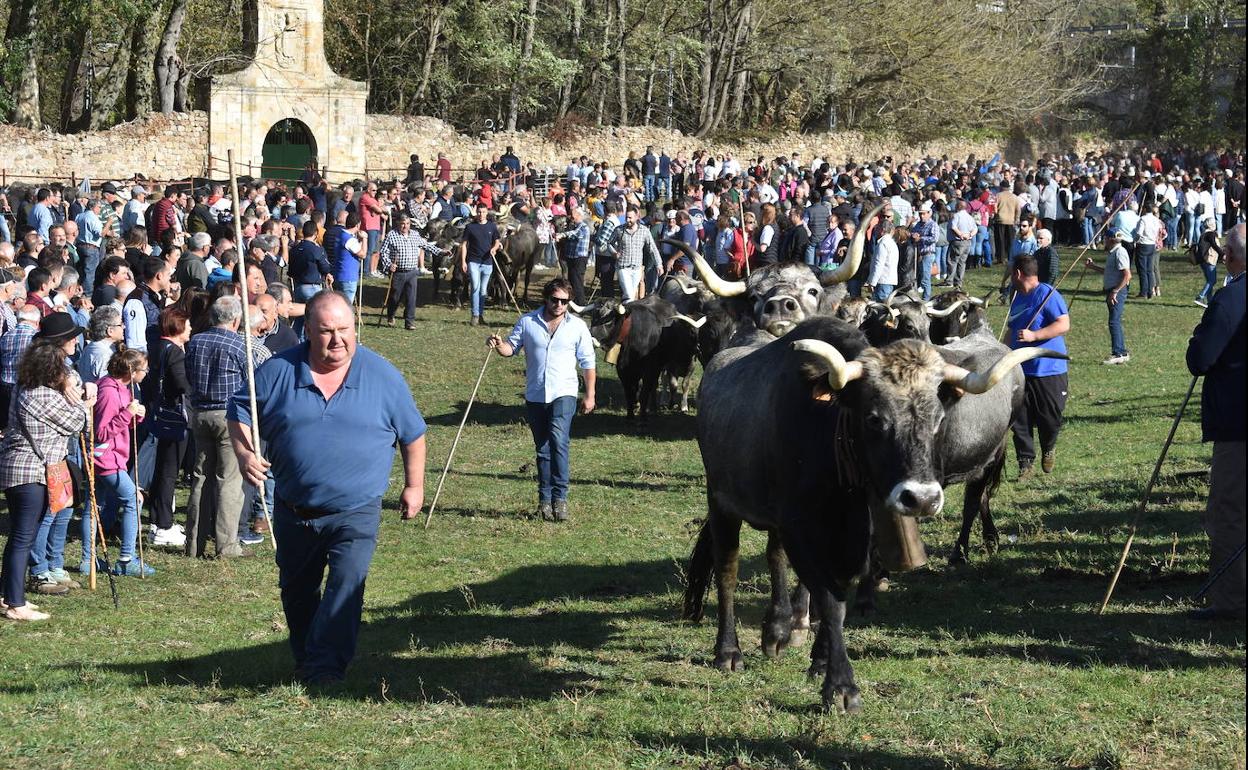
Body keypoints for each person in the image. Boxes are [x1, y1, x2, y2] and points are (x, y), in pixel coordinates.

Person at [228, 290, 427, 685]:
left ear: (356, 328)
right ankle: (308, 657)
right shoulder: (277, 371)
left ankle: (325, 668)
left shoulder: (383, 376)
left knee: (346, 586)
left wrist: (414, 486)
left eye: (344, 330)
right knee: (297, 593)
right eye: (326, 331)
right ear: (307, 331)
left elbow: (414, 435)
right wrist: (245, 453)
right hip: (293, 508)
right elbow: (238, 411)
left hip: (356, 510)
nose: (337, 340)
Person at [0, 320, 92, 620]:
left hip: (31, 468)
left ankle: (8, 595)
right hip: (29, 471)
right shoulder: (37, 393)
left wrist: (69, 385)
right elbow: (75, 421)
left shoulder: (34, 385)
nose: (75, 345)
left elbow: (72, 382)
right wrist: (84, 403)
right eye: (71, 341)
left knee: (22, 535)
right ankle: (15, 603)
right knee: (23, 536)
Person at [486, 278, 595, 522]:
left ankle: (561, 500)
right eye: (555, 300)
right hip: (536, 394)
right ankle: (544, 502)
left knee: (559, 440)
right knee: (543, 449)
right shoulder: (527, 322)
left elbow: (588, 362)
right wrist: (498, 344)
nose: (559, 305)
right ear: (546, 298)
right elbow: (510, 349)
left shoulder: (577, 327)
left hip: (564, 392)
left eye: (564, 301)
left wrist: (590, 394)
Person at [1184, 222, 1245, 620]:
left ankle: (1230, 603)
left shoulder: (1230, 299)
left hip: (1240, 423)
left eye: (1226, 249)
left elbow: (1200, 359)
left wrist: (1197, 337)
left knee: (1230, 511)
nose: (1222, 255)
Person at [184, 295, 252, 560]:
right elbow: (251, 381)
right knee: (228, 481)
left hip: (200, 413)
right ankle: (226, 546)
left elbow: (188, 374)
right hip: (228, 416)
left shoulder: (196, 342)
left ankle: (193, 544)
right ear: (236, 320)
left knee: (201, 478)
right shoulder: (239, 344)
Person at [1005, 254, 1071, 478]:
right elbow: (1012, 331)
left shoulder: (1048, 294)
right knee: (1019, 419)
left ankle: (1049, 447)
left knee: (1049, 418)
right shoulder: (1017, 297)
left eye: (1011, 273)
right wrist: (1001, 352)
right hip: (1020, 369)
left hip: (1048, 369)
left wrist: (1035, 335)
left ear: (1018, 274)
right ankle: (1025, 463)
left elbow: (1064, 324)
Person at [92, 348, 154, 576]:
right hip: (106, 458)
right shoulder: (109, 392)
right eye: (144, 369)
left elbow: (122, 421)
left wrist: (135, 415)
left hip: (114, 456)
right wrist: (127, 414)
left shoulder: (123, 389)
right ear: (132, 370)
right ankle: (127, 558)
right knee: (133, 499)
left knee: (94, 507)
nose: (146, 373)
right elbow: (101, 432)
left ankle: (86, 560)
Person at [147, 309, 191, 547]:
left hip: (160, 415)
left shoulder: (158, 347)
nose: (191, 329)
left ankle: (157, 520)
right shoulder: (174, 353)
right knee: (168, 472)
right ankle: (163, 524)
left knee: (162, 469)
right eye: (188, 325)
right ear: (178, 327)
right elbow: (182, 384)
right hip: (174, 418)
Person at [1085, 230, 1132, 365]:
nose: (1104, 241)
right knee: (1115, 320)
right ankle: (1122, 351)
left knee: (1114, 321)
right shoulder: (1114, 253)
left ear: (1110, 239)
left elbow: (1127, 275)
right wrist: (1092, 267)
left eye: (1105, 238)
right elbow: (1109, 272)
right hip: (1113, 290)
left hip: (1117, 291)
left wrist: (1115, 291)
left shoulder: (1119, 252)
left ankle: (1118, 353)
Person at [459, 203, 501, 326]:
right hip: (474, 261)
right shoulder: (470, 227)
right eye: (479, 212)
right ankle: (475, 315)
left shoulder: (492, 226)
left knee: (483, 290)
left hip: (487, 262)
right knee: (475, 287)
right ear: (475, 213)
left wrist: (494, 248)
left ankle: (481, 314)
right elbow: (464, 245)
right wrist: (463, 261)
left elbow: (497, 241)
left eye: (483, 212)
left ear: (487, 212)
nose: (481, 214)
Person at [1194, 220, 1224, 308]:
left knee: (1209, 281)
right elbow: (1214, 245)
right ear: (1211, 225)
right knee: (1212, 280)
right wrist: (1223, 254)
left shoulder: (1203, 234)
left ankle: (1210, 301)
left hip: (1202, 261)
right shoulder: (1211, 234)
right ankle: (1200, 297)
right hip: (1209, 260)